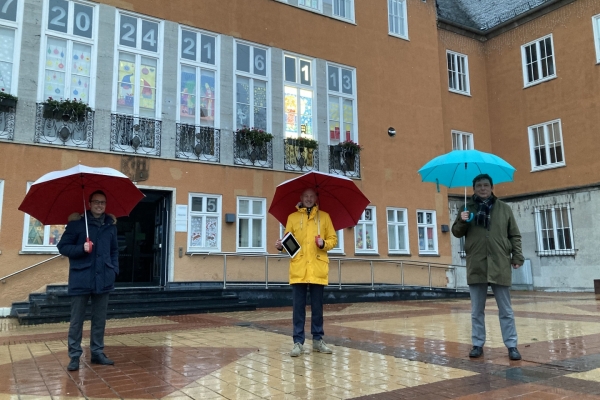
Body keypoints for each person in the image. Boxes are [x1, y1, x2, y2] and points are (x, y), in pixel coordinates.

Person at [452, 174, 524, 361]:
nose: (482, 188)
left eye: (485, 185)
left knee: (506, 310)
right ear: (473, 188)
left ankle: (512, 345)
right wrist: (462, 220)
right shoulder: (466, 208)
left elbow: (514, 235)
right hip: (477, 264)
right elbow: (456, 233)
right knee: (477, 310)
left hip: (499, 263)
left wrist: (517, 256)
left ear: (492, 187)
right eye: (478, 186)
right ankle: (477, 344)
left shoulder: (504, 209)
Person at [57, 190, 119, 371]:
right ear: (89, 204)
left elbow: (114, 250)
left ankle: (97, 352)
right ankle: (75, 355)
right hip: (81, 277)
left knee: (99, 319)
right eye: (96, 202)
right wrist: (81, 248)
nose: (100, 205)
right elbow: (62, 247)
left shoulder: (111, 226)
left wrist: (114, 269)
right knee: (77, 320)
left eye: (103, 203)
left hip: (104, 278)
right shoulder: (77, 224)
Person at [275, 188, 337, 357]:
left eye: (312, 196)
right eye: (306, 196)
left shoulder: (324, 217)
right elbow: (289, 242)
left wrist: (323, 243)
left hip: (317, 268)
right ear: (301, 198)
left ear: (316, 198)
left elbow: (333, 239)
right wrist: (282, 246)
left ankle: (318, 340)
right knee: (298, 308)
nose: (309, 199)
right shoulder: (292, 218)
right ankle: (298, 342)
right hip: (299, 268)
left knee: (318, 308)